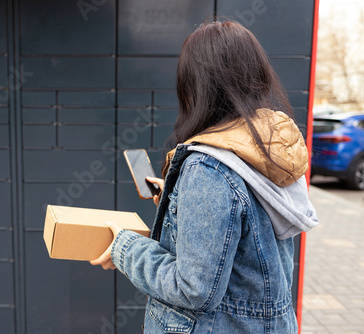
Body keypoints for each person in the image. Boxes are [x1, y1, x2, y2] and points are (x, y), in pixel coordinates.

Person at [90, 20, 318, 333]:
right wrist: (179, 200)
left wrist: (124, 247)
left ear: (196, 86)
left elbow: (193, 288)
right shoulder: (270, 147)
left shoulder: (208, 168)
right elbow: (246, 229)